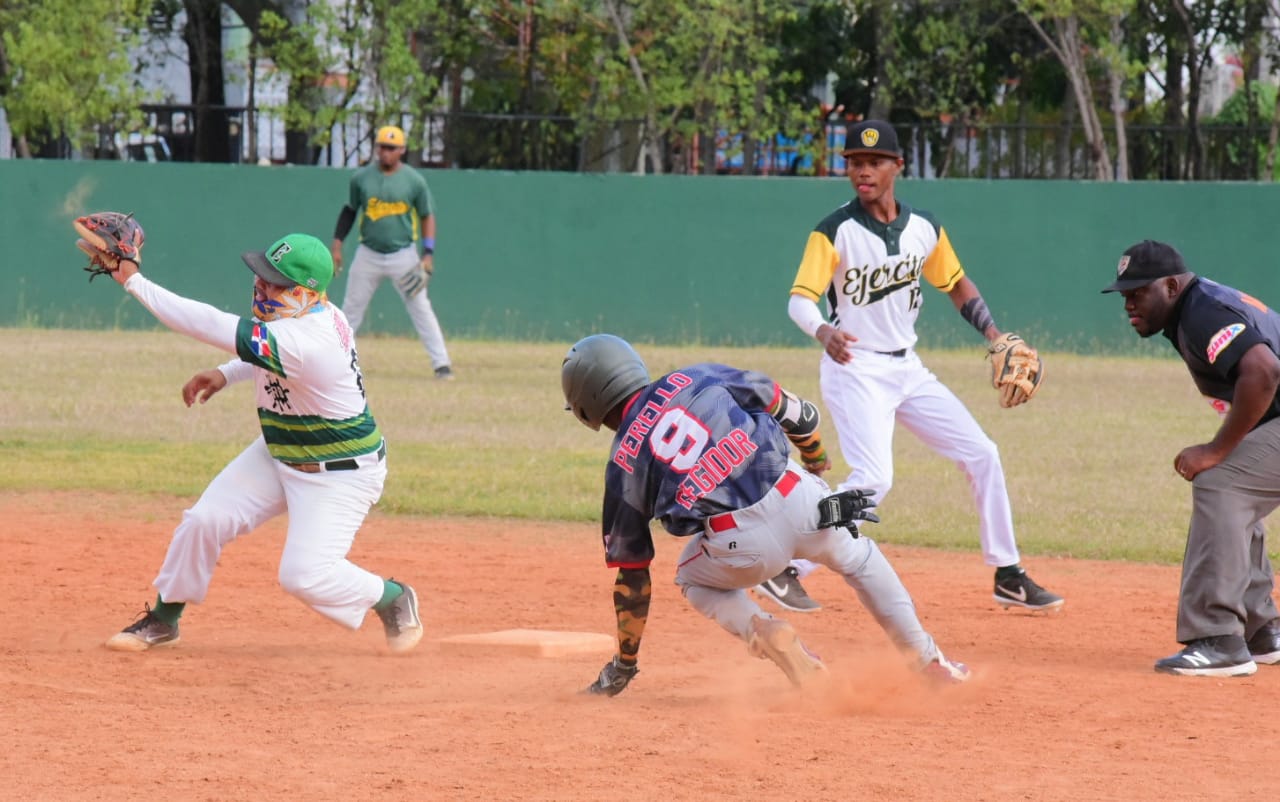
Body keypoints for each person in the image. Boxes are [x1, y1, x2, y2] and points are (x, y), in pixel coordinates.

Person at [561, 333, 971, 696]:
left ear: (585, 407)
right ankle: (928, 661)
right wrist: (815, 458)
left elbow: (632, 575)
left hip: (739, 546)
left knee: (691, 578)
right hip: (801, 500)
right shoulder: (693, 377)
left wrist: (625, 665)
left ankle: (763, 628)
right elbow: (799, 413)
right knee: (860, 559)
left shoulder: (623, 463)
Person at [88, 222, 422, 654]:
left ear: (306, 292)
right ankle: (164, 619)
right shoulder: (313, 315)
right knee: (204, 521)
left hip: (339, 472)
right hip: (281, 452)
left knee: (304, 575)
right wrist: (226, 373)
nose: (264, 287)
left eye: (277, 283)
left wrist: (134, 281)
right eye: (263, 275)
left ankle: (393, 597)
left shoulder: (309, 338)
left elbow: (209, 324)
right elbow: (266, 353)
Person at [771, 119, 1063, 613]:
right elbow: (800, 301)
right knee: (873, 478)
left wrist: (994, 334)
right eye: (854, 163)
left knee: (982, 453)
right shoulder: (833, 231)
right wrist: (823, 331)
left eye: (874, 162)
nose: (863, 171)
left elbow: (955, 283)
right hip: (855, 367)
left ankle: (1008, 574)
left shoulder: (924, 228)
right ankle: (786, 568)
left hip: (908, 368)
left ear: (896, 167)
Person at [1103, 240, 1280, 677]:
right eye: (1124, 294)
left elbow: (1263, 371)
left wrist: (1216, 449)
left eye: (1138, 292)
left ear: (1170, 285)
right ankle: (1261, 631)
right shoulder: (1200, 304)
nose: (1128, 303)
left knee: (1220, 481)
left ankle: (1218, 638)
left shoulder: (1203, 313)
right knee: (1235, 483)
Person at [332, 124, 453, 380]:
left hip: (403, 255)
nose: (385, 152)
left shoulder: (413, 180)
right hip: (368, 253)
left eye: (391, 148)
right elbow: (350, 211)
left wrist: (428, 253)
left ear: (402, 150)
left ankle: (441, 364)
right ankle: (334, 361)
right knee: (351, 309)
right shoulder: (361, 178)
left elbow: (426, 216)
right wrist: (337, 244)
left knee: (421, 307)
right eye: (382, 147)